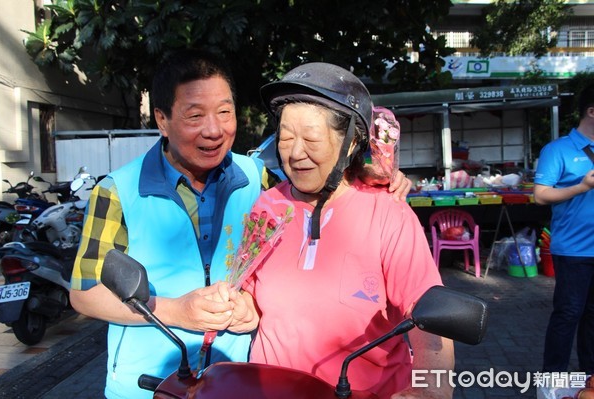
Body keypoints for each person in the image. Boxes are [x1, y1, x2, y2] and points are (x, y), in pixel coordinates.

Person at [69, 50, 413, 399]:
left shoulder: (256, 179)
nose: (214, 130)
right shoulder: (119, 191)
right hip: (149, 385)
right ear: (162, 119)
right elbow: (84, 294)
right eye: (195, 116)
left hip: (233, 382)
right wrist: (176, 311)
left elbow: (315, 176)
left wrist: (364, 173)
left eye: (224, 111)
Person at [239, 62, 454, 398]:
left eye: (311, 138)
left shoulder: (387, 213)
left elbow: (431, 314)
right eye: (285, 137)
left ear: (352, 144)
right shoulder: (266, 207)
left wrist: (432, 388)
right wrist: (238, 310)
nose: (295, 153)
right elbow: (254, 300)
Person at [535, 83, 594, 374]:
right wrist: (581, 186)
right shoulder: (558, 150)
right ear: (591, 112)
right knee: (569, 313)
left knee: (593, 317)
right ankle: (553, 376)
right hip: (573, 250)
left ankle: (590, 378)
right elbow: (541, 194)